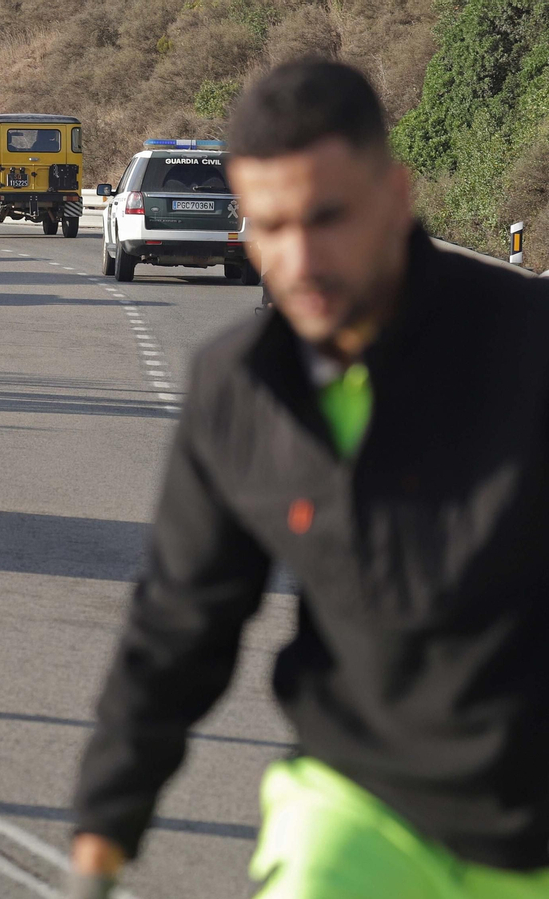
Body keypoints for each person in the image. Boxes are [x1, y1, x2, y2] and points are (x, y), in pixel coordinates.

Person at [68, 60, 549, 899]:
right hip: (359, 805)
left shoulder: (526, 347)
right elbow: (180, 622)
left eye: (328, 218)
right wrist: (105, 829)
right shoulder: (240, 390)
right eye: (270, 225)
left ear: (395, 197)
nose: (299, 259)